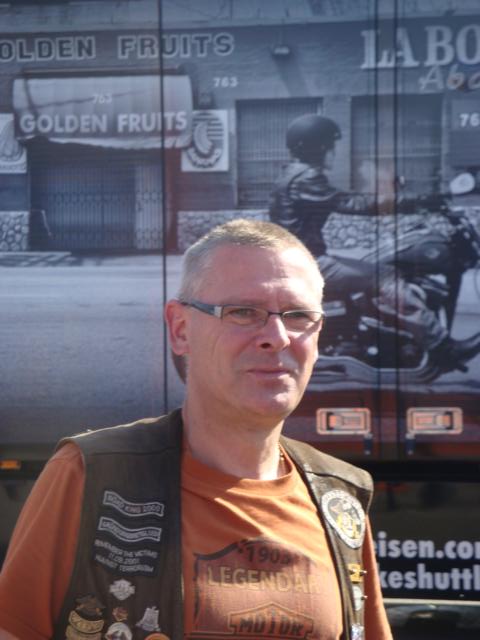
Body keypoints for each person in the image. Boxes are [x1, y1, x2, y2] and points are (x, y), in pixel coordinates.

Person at [0, 219, 392, 640]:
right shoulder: (90, 475)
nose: (277, 337)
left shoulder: (340, 497)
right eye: (243, 312)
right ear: (180, 329)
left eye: (298, 316)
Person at [269, 113, 480, 368]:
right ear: (317, 147)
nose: (334, 153)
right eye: (330, 146)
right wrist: (417, 202)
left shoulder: (292, 174)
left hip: (295, 258)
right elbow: (352, 203)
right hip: (307, 262)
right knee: (386, 276)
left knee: (374, 268)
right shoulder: (306, 178)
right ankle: (441, 347)